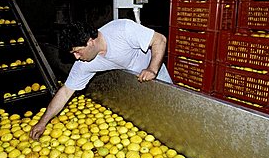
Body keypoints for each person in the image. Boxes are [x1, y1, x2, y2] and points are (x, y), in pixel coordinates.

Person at [30, 19, 172, 140]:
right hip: (133, 85)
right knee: (151, 124)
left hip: (156, 74)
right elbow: (66, 91)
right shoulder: (84, 64)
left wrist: (152, 69)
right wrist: (42, 122)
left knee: (170, 110)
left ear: (90, 41)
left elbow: (159, 40)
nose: (77, 57)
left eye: (77, 51)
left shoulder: (122, 30)